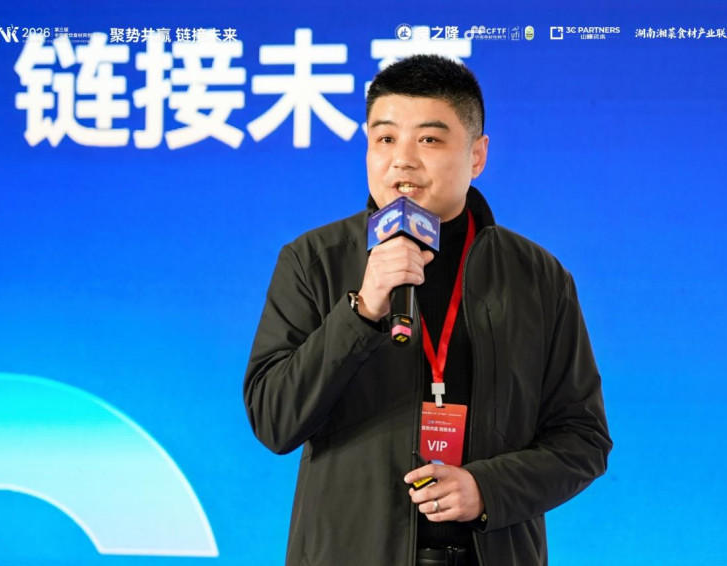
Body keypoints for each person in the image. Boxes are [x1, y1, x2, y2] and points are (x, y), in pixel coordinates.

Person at [244, 54, 612, 566]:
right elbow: (274, 420)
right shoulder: (314, 261)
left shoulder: (538, 277)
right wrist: (360, 311)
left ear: (477, 156)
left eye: (429, 140)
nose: (402, 160)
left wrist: (488, 488)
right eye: (385, 139)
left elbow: (583, 439)